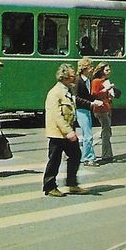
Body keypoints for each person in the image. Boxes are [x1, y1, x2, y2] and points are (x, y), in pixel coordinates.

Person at [43, 63, 92, 197]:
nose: (75, 77)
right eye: (72, 76)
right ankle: (49, 186)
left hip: (68, 132)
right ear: (64, 77)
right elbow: (56, 115)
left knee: (76, 155)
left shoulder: (67, 90)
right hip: (58, 134)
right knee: (54, 160)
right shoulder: (55, 93)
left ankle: (72, 184)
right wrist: (68, 132)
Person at [90, 63, 119, 163]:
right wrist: (106, 89)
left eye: (109, 70)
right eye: (107, 70)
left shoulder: (105, 81)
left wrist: (111, 95)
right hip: (100, 109)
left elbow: (105, 95)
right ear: (101, 71)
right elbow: (94, 94)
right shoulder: (96, 81)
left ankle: (87, 144)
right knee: (106, 132)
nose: (109, 71)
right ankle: (106, 155)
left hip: (106, 108)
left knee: (106, 131)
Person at [74, 57, 97, 166]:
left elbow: (88, 96)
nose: (92, 69)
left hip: (86, 110)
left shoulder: (88, 80)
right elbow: (76, 98)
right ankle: (88, 158)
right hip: (80, 110)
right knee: (88, 135)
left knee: (85, 134)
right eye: (90, 67)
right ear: (84, 68)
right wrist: (91, 103)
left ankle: (82, 156)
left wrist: (95, 100)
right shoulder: (78, 81)